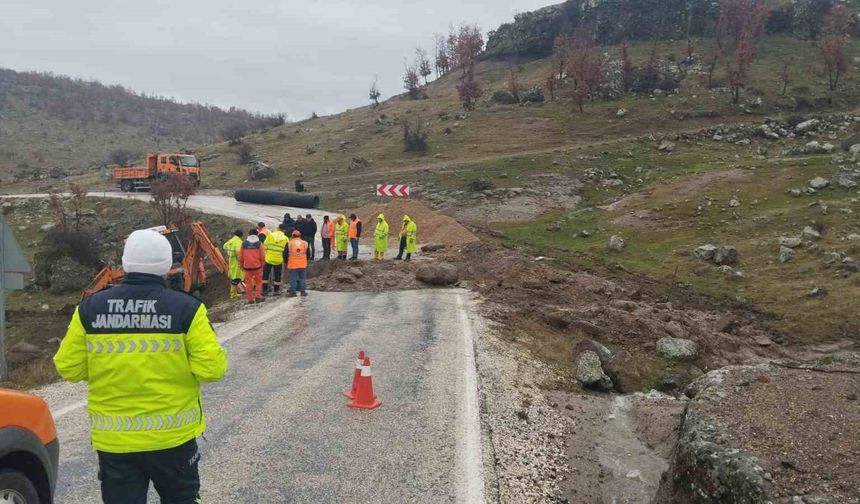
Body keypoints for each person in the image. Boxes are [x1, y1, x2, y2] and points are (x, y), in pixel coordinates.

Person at [53, 229, 228, 504]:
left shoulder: (89, 308)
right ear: (168, 266)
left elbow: (68, 368)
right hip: (173, 439)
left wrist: (109, 368)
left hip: (115, 441)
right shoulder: (187, 308)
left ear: (124, 263)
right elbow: (212, 370)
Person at [239, 228, 266, 304]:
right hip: (257, 266)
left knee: (248, 283)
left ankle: (250, 299)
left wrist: (241, 265)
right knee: (258, 282)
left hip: (247, 267)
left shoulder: (244, 244)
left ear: (249, 234)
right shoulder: (259, 244)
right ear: (257, 234)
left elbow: (240, 256)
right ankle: (257, 297)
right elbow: (263, 256)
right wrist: (262, 265)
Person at [262, 224, 288, 296]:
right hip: (278, 259)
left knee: (265, 275)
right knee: (277, 275)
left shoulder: (270, 235)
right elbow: (286, 251)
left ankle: (264, 291)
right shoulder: (286, 239)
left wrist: (266, 254)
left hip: (269, 258)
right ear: (284, 230)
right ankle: (276, 291)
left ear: (278, 228)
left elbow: (264, 246)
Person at [286, 230, 309, 297]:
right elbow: (308, 254)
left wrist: (286, 262)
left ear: (292, 236)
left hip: (292, 264)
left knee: (293, 279)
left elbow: (285, 254)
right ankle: (303, 292)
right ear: (300, 236)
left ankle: (293, 292)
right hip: (302, 264)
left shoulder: (290, 243)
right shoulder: (305, 243)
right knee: (302, 278)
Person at [222, 229, 245, 299]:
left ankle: (234, 293)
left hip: (231, 260)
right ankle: (233, 294)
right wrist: (241, 261)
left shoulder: (230, 241)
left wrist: (229, 254)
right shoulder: (239, 242)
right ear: (241, 235)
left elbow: (224, 246)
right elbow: (238, 252)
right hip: (236, 261)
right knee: (236, 278)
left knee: (234, 276)